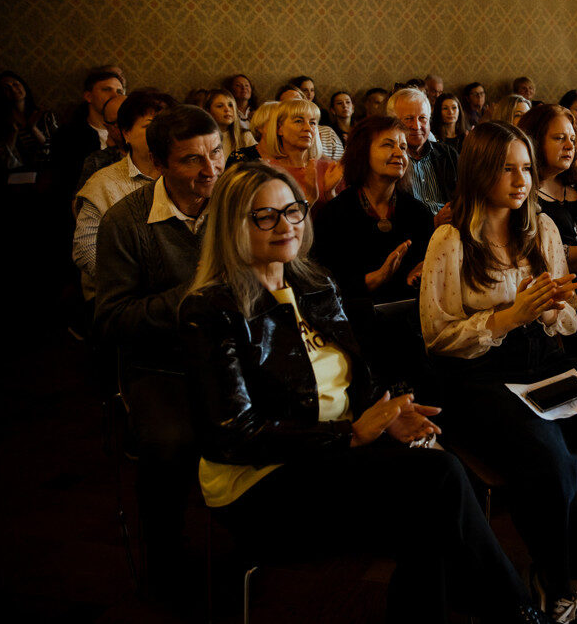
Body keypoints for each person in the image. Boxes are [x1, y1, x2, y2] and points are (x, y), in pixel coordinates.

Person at [180, 162, 547, 624]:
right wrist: (351, 435)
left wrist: (386, 412)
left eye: (292, 211)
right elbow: (232, 437)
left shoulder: (312, 284)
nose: (286, 225)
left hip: (335, 454)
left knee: (432, 510)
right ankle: (519, 612)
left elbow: (357, 372)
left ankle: (510, 611)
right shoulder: (211, 310)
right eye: (265, 216)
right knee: (439, 484)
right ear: (232, 227)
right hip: (260, 484)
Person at [421, 122, 577, 623]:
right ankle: (554, 573)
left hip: (543, 359)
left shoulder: (542, 229)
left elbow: (567, 320)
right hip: (481, 373)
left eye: (526, 168)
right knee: (552, 461)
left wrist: (553, 309)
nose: (521, 181)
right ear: (480, 171)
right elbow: (437, 336)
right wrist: (508, 317)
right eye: (507, 169)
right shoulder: (451, 240)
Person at [93, 104, 225, 594]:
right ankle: (165, 561)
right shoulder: (125, 222)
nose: (210, 169)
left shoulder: (235, 204)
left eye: (216, 152)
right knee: (170, 444)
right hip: (162, 364)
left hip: (230, 353)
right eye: (192, 159)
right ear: (159, 164)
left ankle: (255, 542)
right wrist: (194, 296)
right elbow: (112, 319)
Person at [314, 115, 433, 304]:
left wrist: (424, 272)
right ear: (362, 152)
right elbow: (324, 289)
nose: (399, 153)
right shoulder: (334, 215)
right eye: (388, 145)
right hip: (354, 316)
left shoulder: (418, 213)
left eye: (403, 147)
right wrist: (375, 279)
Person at [520, 104, 577, 361]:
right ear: (534, 142)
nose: (569, 146)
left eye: (572, 139)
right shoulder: (522, 192)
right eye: (559, 138)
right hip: (559, 301)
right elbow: (539, 256)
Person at [74, 90, 174, 300]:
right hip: (121, 295)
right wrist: (133, 281)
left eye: (167, 125)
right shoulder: (103, 183)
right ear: (126, 133)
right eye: (150, 126)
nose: (161, 133)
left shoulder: (183, 176)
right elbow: (86, 248)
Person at [52, 69, 126, 204]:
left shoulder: (131, 131)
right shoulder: (69, 135)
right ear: (88, 96)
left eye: (119, 91)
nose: (114, 95)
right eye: (106, 90)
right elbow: (66, 184)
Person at [260, 98, 345, 209]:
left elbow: (345, 217)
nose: (308, 128)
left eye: (312, 123)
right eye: (298, 121)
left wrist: (330, 193)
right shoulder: (267, 172)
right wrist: (309, 199)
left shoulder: (329, 169)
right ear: (279, 128)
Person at [389, 87, 458, 222]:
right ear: (392, 123)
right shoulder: (391, 160)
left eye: (422, 118)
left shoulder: (448, 154)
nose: (417, 126)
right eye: (408, 119)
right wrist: (433, 223)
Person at [0, 71, 58, 173]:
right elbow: (2, 160)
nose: (13, 89)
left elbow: (57, 149)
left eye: (15, 84)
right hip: (16, 176)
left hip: (48, 172)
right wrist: (13, 133)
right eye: (6, 88)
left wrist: (33, 129)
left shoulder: (44, 116)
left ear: (23, 86)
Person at [278, 83, 345, 161]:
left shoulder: (328, 133)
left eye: (298, 101)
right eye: (289, 103)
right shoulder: (276, 135)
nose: (308, 128)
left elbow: (342, 164)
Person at [204, 88, 256, 157]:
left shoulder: (245, 136)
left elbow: (259, 162)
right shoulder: (201, 138)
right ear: (208, 111)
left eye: (230, 105)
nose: (227, 109)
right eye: (220, 106)